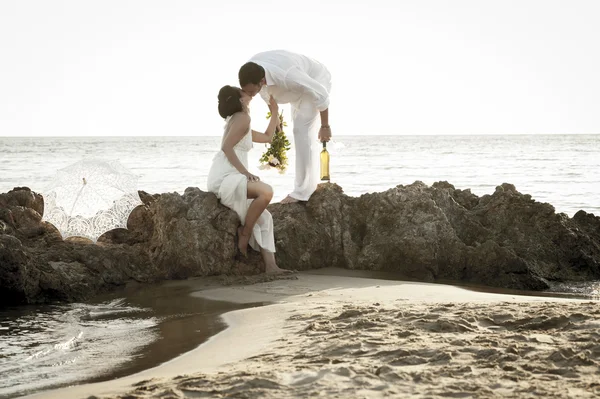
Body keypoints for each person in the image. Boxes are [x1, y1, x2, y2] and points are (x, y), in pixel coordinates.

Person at [207, 85, 291, 274]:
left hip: (230, 174)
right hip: (225, 176)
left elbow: (268, 137)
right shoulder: (242, 118)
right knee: (266, 191)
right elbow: (226, 148)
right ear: (240, 99)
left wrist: (275, 111)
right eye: (243, 92)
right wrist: (245, 173)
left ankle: (271, 266)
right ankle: (244, 233)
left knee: (264, 217)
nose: (249, 94)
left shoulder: (240, 120)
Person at [239, 49, 332, 204]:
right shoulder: (250, 70)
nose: (249, 95)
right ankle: (309, 182)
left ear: (261, 81)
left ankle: (302, 192)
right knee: (298, 129)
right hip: (294, 87)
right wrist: (276, 122)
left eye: (250, 91)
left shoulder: (289, 76)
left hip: (315, 79)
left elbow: (321, 93)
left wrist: (325, 126)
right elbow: (268, 97)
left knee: (300, 131)